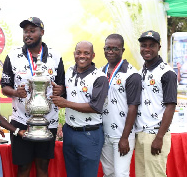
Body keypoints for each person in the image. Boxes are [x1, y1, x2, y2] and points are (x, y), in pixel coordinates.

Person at [0, 17, 65, 177]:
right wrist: (16, 92)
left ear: (42, 32)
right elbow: (4, 87)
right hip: (21, 121)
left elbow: (62, 86)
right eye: (25, 31)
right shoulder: (13, 56)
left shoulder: (55, 57)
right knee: (23, 168)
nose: (27, 34)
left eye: (32, 31)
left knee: (43, 167)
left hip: (47, 121)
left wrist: (59, 90)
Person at [50, 41, 108, 177]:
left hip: (89, 134)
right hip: (70, 132)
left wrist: (66, 103)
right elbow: (69, 92)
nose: (82, 56)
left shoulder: (100, 77)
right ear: (74, 54)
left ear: (93, 55)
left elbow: (95, 107)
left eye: (86, 53)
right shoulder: (69, 71)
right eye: (79, 52)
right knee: (71, 174)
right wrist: (61, 90)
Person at [135, 30, 177, 177]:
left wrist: (159, 137)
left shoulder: (167, 73)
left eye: (151, 45)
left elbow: (171, 106)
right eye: (143, 45)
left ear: (159, 47)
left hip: (155, 135)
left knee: (155, 175)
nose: (147, 49)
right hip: (140, 133)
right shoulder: (141, 72)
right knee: (141, 174)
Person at [99, 34, 141, 177]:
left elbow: (133, 107)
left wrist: (124, 138)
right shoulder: (100, 72)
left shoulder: (131, 74)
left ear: (122, 50)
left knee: (121, 174)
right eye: (107, 48)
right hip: (104, 134)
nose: (110, 51)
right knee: (108, 173)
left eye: (115, 48)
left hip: (122, 135)